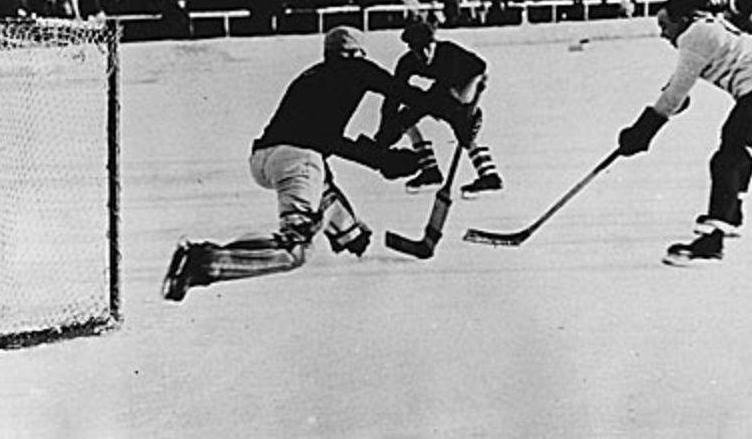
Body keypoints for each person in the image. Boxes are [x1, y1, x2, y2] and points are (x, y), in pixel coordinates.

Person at [162, 26, 476, 301]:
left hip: (263, 160)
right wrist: (457, 116)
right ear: (357, 52)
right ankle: (204, 261)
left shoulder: (310, 76)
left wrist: (382, 159)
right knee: (294, 249)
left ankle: (354, 237)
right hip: (298, 160)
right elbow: (406, 94)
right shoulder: (358, 68)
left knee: (330, 198)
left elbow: (326, 139)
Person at [615, 0, 752, 264]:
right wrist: (662, 110)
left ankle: (711, 241)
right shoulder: (708, 26)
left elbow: (675, 94)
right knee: (738, 152)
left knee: (728, 159)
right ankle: (732, 215)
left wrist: (642, 132)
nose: (662, 33)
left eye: (664, 25)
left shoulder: (693, 36)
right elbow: (677, 90)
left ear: (681, 20)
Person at [377, 20, 504, 198]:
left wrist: (468, 97)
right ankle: (430, 171)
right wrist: (386, 128)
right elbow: (393, 95)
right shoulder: (407, 63)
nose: (424, 54)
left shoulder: (449, 53)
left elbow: (480, 67)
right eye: (418, 50)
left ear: (434, 43)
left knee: (464, 129)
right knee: (404, 119)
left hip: (459, 90)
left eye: (428, 47)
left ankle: (489, 176)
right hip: (438, 94)